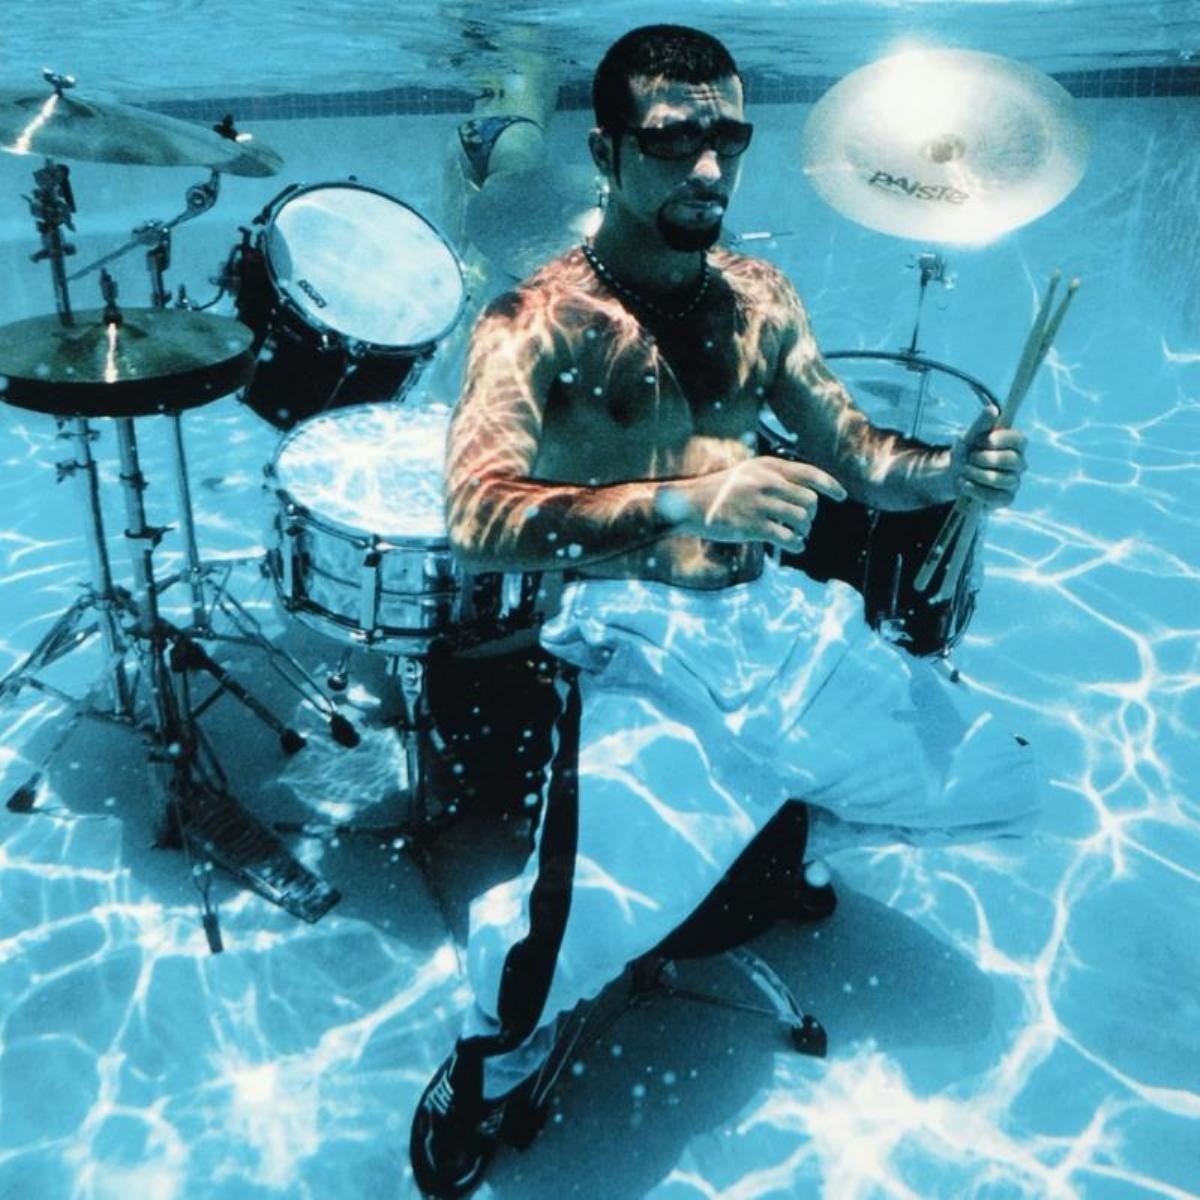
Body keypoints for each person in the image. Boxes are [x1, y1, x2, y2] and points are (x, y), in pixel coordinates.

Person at [410, 24, 1038, 1199]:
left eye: (729, 140)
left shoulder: (761, 296)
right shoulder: (530, 320)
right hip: (630, 643)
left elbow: (858, 454)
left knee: (1003, 786)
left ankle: (772, 834)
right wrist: (686, 498)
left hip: (769, 624)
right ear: (607, 152)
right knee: (556, 950)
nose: (708, 168)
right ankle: (487, 1070)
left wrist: (950, 473)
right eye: (672, 141)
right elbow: (478, 516)